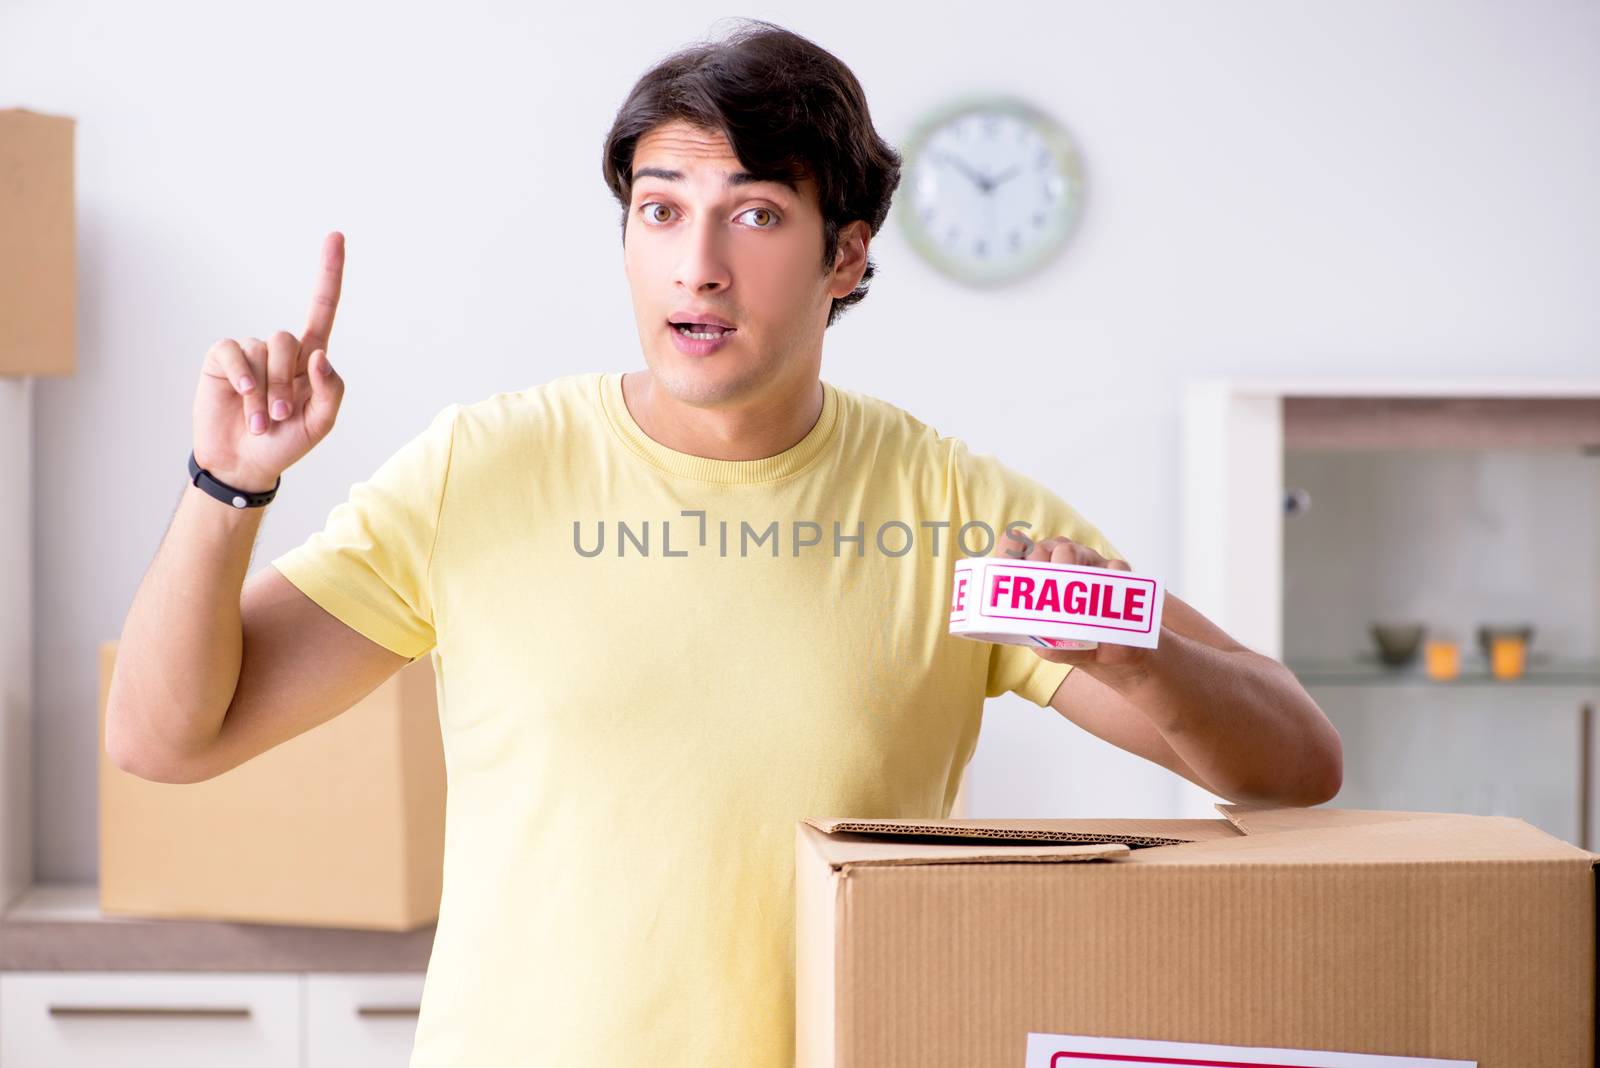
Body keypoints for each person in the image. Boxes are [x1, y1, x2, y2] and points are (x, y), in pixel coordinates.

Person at [106, 18, 1342, 1067]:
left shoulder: (951, 509)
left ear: (844, 254)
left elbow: (1293, 763)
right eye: (660, 211)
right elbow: (166, 740)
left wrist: (1135, 659)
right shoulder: (480, 470)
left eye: (753, 213)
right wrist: (228, 483)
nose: (695, 267)